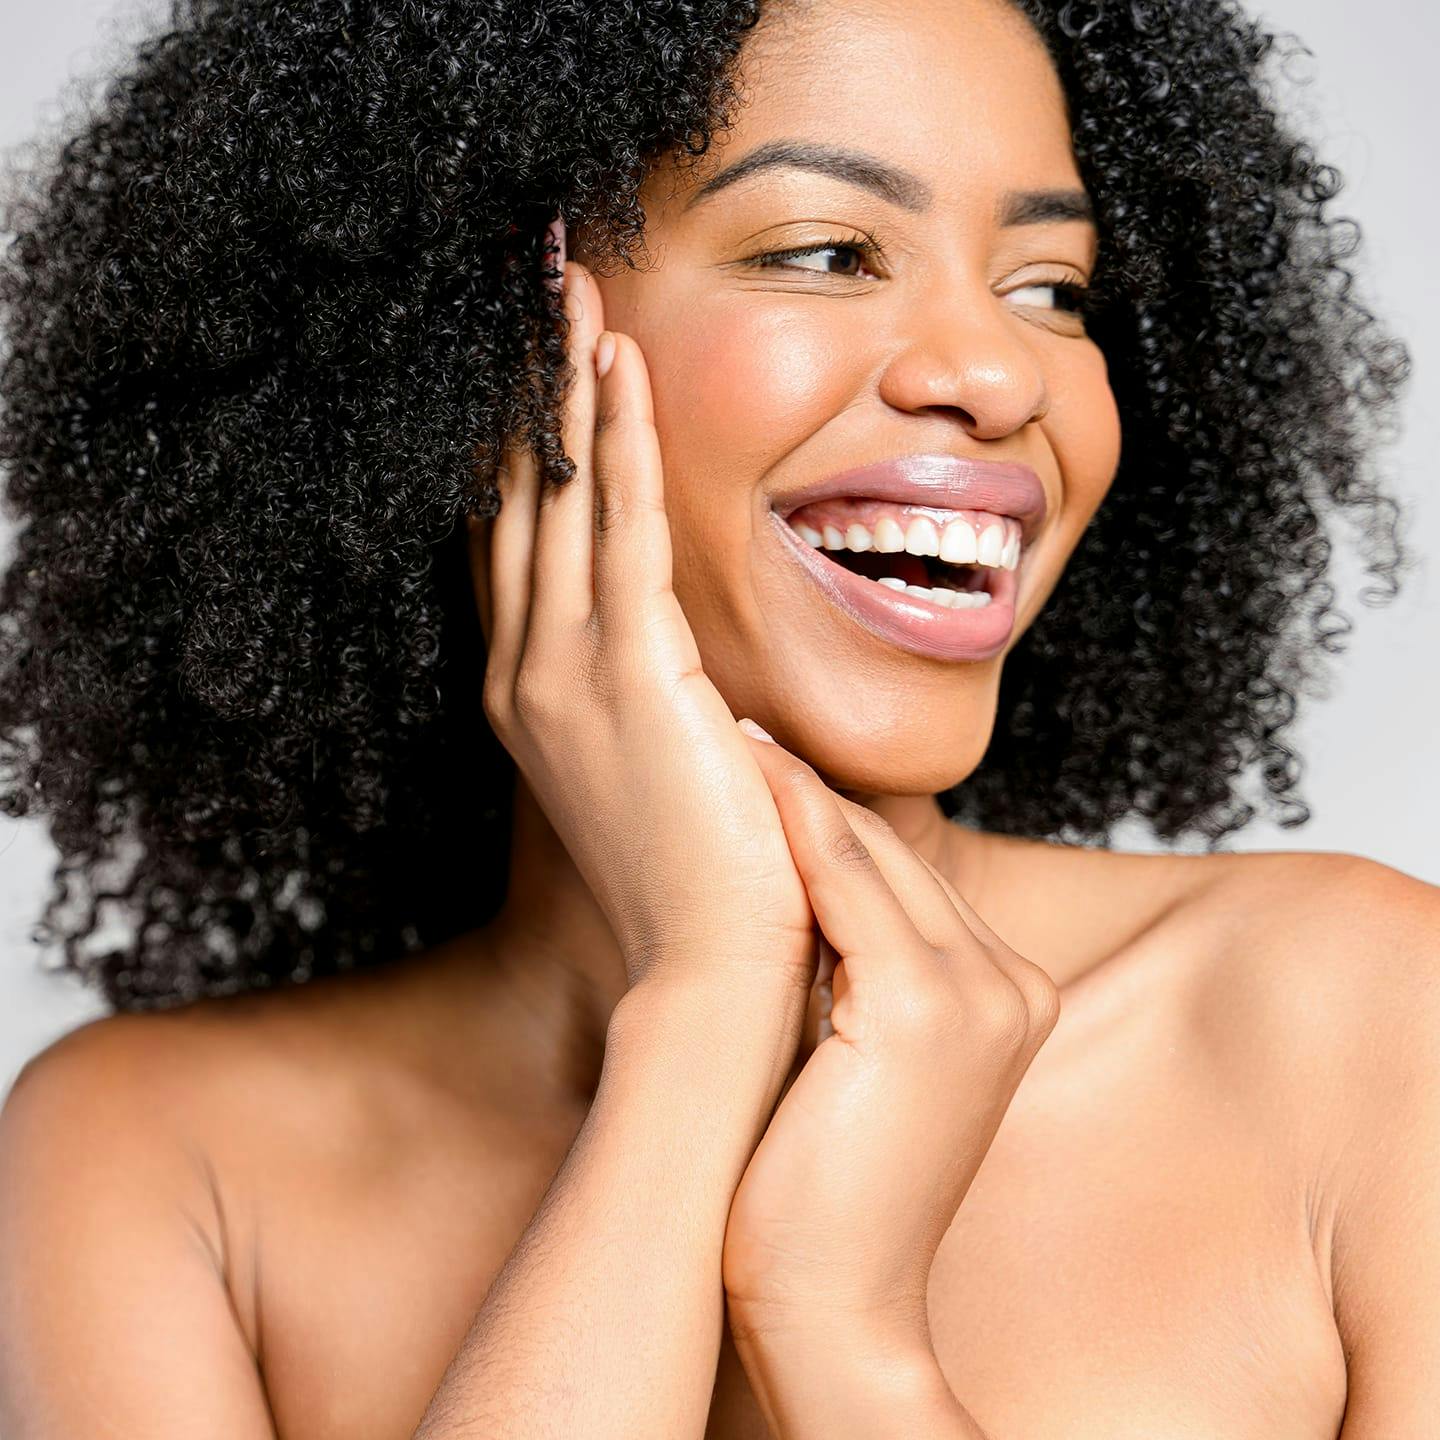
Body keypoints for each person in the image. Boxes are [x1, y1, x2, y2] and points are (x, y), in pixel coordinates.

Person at [0, 0, 1433, 1434]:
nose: (1002, 377)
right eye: (827, 253)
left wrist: (837, 1323)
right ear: (482, 348)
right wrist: (705, 1006)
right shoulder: (158, 1160)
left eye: (1051, 286)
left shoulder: (1362, 1020)